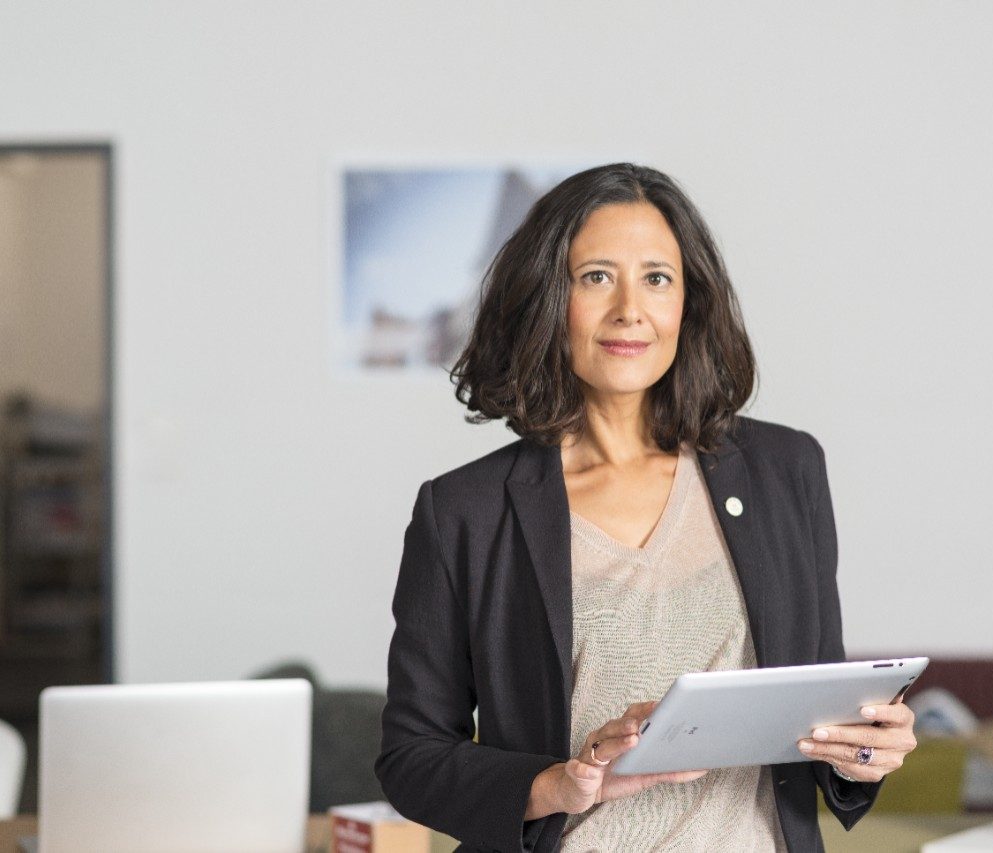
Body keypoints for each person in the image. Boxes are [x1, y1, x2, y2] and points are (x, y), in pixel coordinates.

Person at [375, 164, 917, 852]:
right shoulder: (466, 511)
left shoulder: (787, 470)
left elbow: (821, 723)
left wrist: (866, 749)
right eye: (596, 276)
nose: (629, 308)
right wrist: (558, 782)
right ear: (549, 297)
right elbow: (413, 756)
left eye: (657, 278)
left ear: (689, 300)